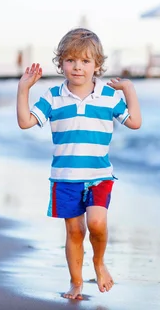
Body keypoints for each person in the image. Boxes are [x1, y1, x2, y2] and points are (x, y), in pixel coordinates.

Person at [16, 28, 142, 300]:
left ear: (97, 65)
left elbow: (134, 122)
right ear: (61, 63)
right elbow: (26, 121)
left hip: (99, 175)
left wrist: (129, 89)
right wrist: (23, 88)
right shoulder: (52, 96)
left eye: (85, 61)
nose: (77, 67)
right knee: (75, 231)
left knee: (97, 223)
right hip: (64, 177)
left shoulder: (109, 97)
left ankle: (98, 263)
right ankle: (75, 282)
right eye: (71, 60)